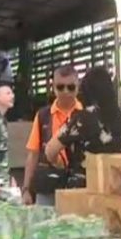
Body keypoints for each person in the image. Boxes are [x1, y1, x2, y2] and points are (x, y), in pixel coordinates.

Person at [45, 67, 121, 187]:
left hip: (85, 189)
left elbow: (50, 150)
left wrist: (59, 164)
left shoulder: (83, 119)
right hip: (114, 189)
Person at [22, 64, 83, 206]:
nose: (65, 92)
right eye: (60, 87)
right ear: (53, 87)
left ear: (78, 86)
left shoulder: (86, 114)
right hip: (47, 186)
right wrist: (26, 189)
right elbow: (33, 154)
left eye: (71, 87)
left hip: (78, 187)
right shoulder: (43, 115)